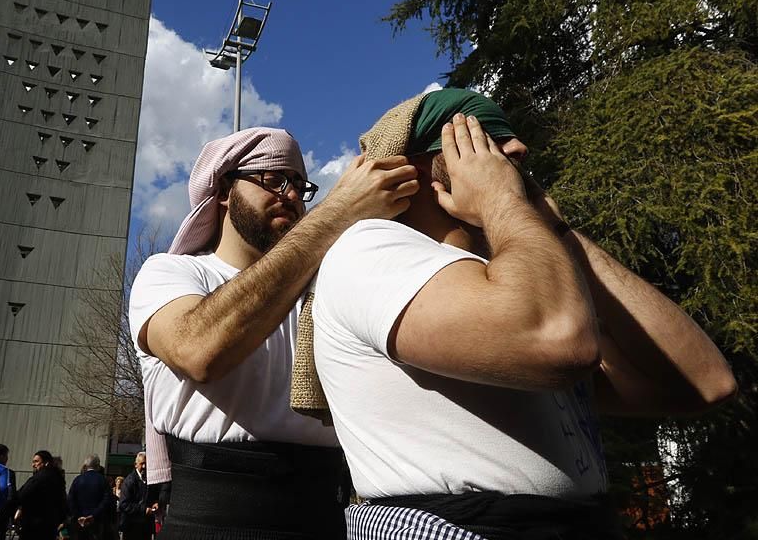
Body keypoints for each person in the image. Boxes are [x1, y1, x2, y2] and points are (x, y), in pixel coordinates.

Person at [309, 89, 739, 538]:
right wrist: (502, 199)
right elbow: (556, 338)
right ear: (416, 169)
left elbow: (706, 383)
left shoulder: (521, 281)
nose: (516, 147)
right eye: (481, 136)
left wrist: (555, 229)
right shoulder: (368, 251)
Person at [128, 127, 418, 539]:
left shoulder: (326, 290)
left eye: (301, 185)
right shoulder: (172, 273)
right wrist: (336, 213)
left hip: (327, 518)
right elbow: (197, 350)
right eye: (274, 179)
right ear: (225, 190)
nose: (294, 197)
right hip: (209, 524)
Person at [15, 451, 66, 540]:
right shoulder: (59, 479)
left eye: (36, 461)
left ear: (46, 463)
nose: (33, 465)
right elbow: (62, 501)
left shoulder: (38, 478)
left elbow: (22, 495)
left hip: (33, 524)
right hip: (50, 525)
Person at [67, 455, 115, 540]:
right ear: (98, 466)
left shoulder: (77, 480)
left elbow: (71, 499)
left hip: (79, 522)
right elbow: (107, 500)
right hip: (97, 521)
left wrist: (78, 516)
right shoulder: (103, 480)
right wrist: (93, 515)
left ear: (86, 465)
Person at [117, 453, 152, 540]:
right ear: (136, 465)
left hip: (145, 527)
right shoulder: (130, 481)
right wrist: (143, 509)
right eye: (142, 463)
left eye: (146, 464)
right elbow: (124, 504)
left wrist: (155, 502)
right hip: (132, 527)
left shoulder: (148, 479)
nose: (144, 466)